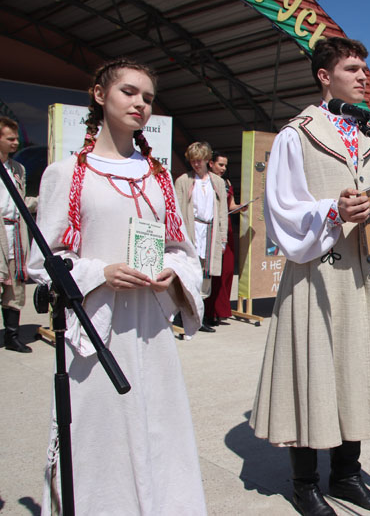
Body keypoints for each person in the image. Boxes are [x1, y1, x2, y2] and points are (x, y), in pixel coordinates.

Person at [27, 58, 206, 515]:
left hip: (150, 327)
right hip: (96, 329)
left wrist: (172, 272)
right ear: (99, 95)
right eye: (129, 92)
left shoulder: (158, 176)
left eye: (147, 97)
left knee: (158, 430)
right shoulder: (67, 174)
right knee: (97, 435)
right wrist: (98, 273)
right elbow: (43, 260)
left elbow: (183, 250)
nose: (140, 103)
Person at [249, 37, 370, 516]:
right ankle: (304, 484)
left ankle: (345, 473)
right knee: (312, 370)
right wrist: (333, 210)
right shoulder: (296, 135)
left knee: (357, 368)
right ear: (324, 75)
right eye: (354, 68)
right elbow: (281, 210)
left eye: (365, 69)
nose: (364, 77)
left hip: (365, 275)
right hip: (316, 276)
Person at [174, 141, 228, 335]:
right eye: (193, 161)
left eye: (200, 161)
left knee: (206, 276)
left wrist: (223, 238)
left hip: (210, 232)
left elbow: (222, 212)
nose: (196, 164)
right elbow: (178, 210)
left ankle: (200, 316)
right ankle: (184, 314)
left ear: (207, 160)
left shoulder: (217, 182)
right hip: (192, 229)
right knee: (189, 273)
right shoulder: (183, 181)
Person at [0, 117, 37, 353]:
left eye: (16, 138)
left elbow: (20, 201)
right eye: (10, 138)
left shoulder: (18, 169)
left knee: (15, 289)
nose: (16, 142)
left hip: (15, 233)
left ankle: (12, 336)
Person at [206, 151, 247, 326]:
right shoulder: (205, 181)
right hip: (213, 226)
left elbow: (231, 205)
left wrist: (241, 207)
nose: (223, 168)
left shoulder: (227, 183)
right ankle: (208, 312)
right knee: (212, 271)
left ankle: (220, 310)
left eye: (225, 165)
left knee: (227, 270)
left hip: (227, 227)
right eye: (220, 164)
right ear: (211, 163)